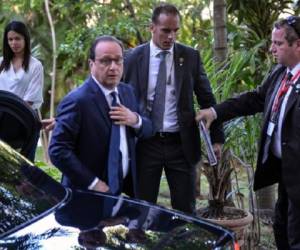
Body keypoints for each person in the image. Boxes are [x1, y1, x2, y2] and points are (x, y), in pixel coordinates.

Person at [196, 16, 300, 249]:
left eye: (279, 43)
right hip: (285, 173)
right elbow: (254, 99)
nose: (271, 48)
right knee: (282, 228)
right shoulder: (280, 73)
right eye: (272, 42)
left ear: (298, 44)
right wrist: (214, 112)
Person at [123, 3, 224, 214]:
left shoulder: (190, 57)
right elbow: (115, 95)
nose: (171, 36)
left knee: (186, 210)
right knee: (141, 207)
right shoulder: (132, 58)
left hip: (181, 143)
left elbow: (207, 99)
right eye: (165, 30)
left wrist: (217, 138)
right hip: (144, 143)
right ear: (152, 28)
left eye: (175, 31)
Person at [49, 35, 152, 197]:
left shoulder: (127, 92)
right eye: (105, 61)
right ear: (92, 64)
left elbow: (148, 128)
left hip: (121, 192)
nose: (113, 67)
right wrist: (93, 183)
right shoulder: (77, 101)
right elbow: (58, 150)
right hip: (85, 196)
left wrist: (135, 120)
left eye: (118, 60)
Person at [0, 20, 44, 161]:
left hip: (23, 119)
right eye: (10, 39)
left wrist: (12, 112)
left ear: (25, 38)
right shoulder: (1, 63)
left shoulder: (35, 66)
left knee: (23, 167)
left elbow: (30, 100)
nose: (14, 43)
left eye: (17, 38)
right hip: (1, 117)